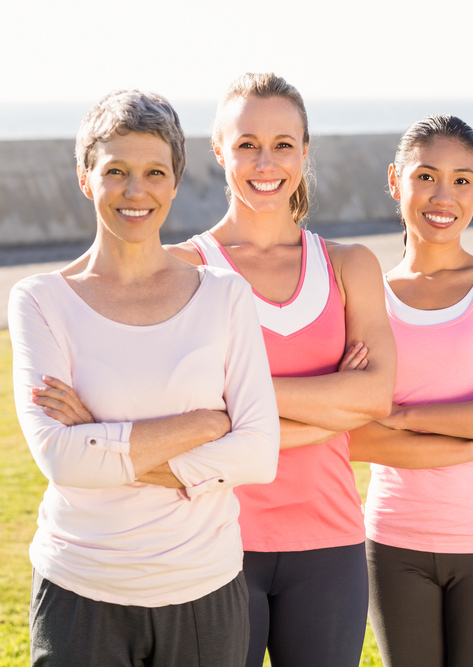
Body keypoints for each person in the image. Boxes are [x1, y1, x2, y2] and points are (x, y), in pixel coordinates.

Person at [9, 90, 281, 666]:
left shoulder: (225, 296)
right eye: (116, 172)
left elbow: (258, 452)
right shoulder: (41, 301)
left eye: (155, 172)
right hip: (81, 590)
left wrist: (102, 434)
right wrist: (206, 424)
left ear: (175, 182)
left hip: (204, 590)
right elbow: (63, 459)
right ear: (87, 179)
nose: (137, 191)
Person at [167, 73, 396, 667]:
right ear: (219, 150)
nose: (265, 162)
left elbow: (375, 396)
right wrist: (328, 408)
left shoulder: (350, 265)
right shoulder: (183, 270)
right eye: (246, 144)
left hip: (331, 546)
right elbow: (180, 419)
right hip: (216, 541)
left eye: (283, 144)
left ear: (305, 150)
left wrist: (242, 401)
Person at [349, 114, 473, 667]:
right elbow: (353, 439)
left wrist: (403, 413)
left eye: (462, 179)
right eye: (426, 176)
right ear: (395, 181)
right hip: (393, 541)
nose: (444, 196)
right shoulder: (367, 299)